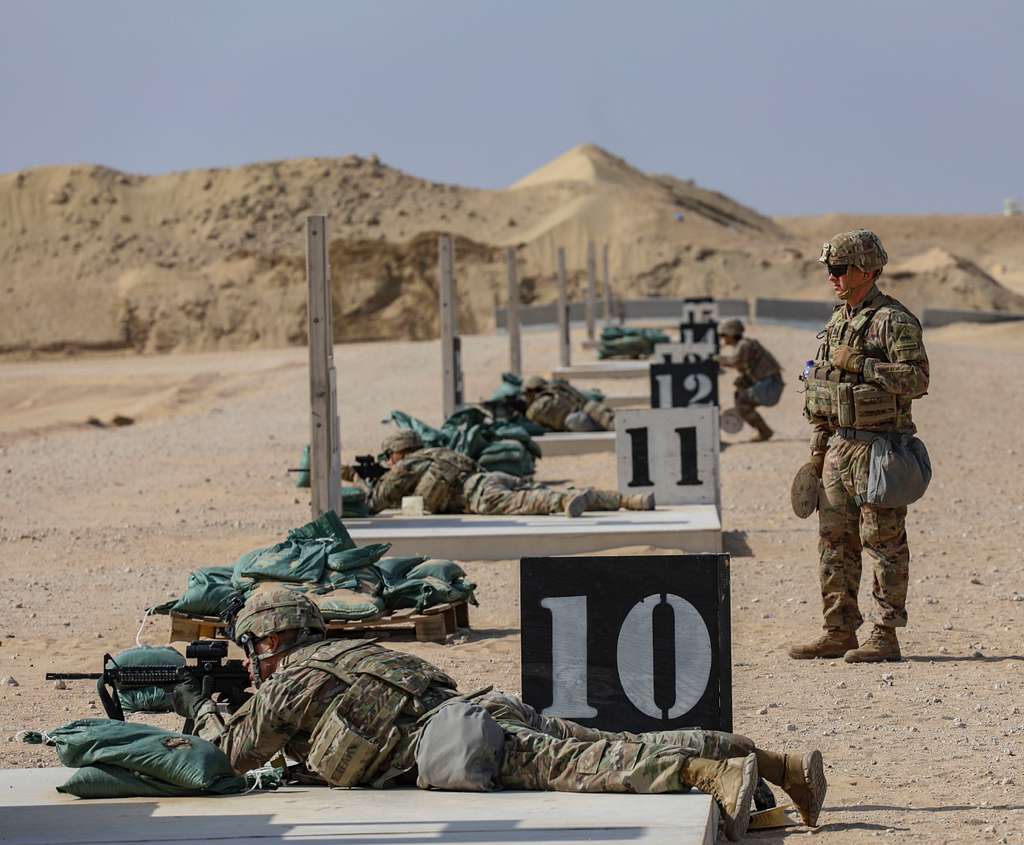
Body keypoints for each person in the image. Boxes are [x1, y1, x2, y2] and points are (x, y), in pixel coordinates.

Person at [175, 589, 828, 841]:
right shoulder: (351, 651)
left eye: (253, 648)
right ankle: (776, 762)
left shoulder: (293, 683)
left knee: (592, 763)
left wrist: (197, 706)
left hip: (463, 744)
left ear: (272, 641)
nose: (252, 661)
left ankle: (708, 772)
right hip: (477, 712)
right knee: (615, 739)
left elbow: (228, 757)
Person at [789, 229, 929, 663]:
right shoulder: (837, 322)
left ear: (866, 270)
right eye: (829, 269)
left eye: (839, 269)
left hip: (878, 449)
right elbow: (823, 391)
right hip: (837, 448)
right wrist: (816, 454)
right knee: (834, 542)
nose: (832, 277)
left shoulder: (895, 321)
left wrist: (864, 364)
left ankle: (885, 634)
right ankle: (838, 629)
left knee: (882, 541)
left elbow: (917, 380)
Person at [345, 429, 653, 517]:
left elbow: (377, 500)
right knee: (542, 490)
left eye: (390, 456)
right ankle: (627, 500)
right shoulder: (436, 452)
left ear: (399, 452)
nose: (390, 460)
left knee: (543, 501)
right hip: (490, 478)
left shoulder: (406, 466)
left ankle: (565, 502)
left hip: (482, 496)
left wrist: (360, 481)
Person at [715, 319, 785, 442]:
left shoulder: (743, 345)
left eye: (723, 335)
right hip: (770, 384)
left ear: (731, 334)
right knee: (741, 399)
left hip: (770, 386)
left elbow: (734, 361)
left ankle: (764, 431)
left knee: (742, 402)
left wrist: (715, 358)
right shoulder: (744, 344)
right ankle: (764, 430)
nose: (723, 338)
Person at [521, 375, 615, 432]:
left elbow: (533, 421)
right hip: (589, 407)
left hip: (578, 420)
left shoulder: (539, 405)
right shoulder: (557, 389)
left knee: (612, 426)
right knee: (613, 421)